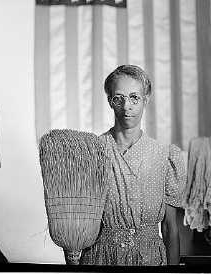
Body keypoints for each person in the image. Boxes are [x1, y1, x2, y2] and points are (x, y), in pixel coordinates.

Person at [79, 65, 186, 266]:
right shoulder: (93, 151)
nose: (126, 106)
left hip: (150, 261)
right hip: (101, 259)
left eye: (134, 97)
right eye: (118, 98)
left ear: (146, 100)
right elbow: (81, 223)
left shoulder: (164, 156)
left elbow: (170, 228)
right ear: (110, 102)